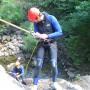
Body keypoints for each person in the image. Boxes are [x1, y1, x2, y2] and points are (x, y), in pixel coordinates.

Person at [27, 7, 63, 90]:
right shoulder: (35, 22)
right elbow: (36, 33)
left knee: (53, 64)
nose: (33, 22)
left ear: (38, 16)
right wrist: (35, 35)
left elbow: (60, 32)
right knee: (38, 64)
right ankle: (35, 85)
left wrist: (47, 35)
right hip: (41, 44)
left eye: (34, 20)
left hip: (52, 43)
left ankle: (54, 83)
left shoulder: (51, 18)